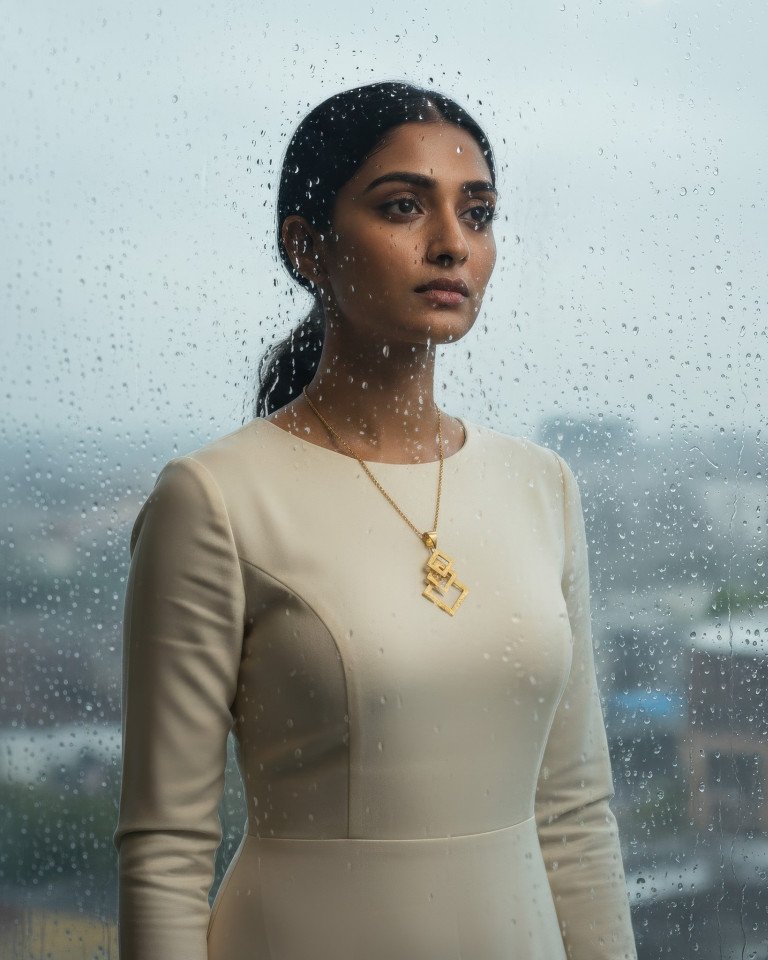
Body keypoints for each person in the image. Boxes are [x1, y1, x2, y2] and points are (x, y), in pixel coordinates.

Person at [112, 80, 637, 960]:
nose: (450, 245)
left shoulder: (542, 486)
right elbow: (166, 848)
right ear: (306, 246)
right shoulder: (214, 499)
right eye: (403, 207)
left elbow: (576, 812)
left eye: (478, 213)